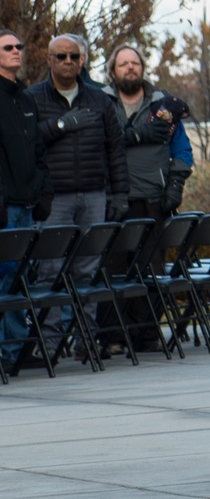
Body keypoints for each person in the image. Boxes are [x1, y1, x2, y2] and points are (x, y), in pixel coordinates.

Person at [28, 35, 130, 363]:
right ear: (49, 60)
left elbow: (116, 149)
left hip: (94, 196)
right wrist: (59, 125)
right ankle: (50, 344)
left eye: (74, 56)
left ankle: (87, 340)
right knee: (49, 272)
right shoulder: (33, 98)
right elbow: (26, 143)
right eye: (61, 56)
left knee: (87, 270)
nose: (68, 61)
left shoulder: (100, 100)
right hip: (54, 199)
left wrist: (121, 193)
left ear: (82, 60)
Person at [101, 43, 194, 352]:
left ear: (142, 68)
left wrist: (176, 184)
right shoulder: (101, 102)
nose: (130, 68)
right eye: (123, 63)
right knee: (113, 269)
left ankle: (147, 334)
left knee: (151, 270)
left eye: (135, 63)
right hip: (113, 200)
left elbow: (182, 148)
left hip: (154, 199)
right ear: (112, 71)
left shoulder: (162, 104)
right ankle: (113, 336)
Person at [0, 30, 52, 372]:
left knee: (18, 278)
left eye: (19, 46)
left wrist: (40, 189)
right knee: (3, 277)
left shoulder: (26, 98)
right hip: (4, 208)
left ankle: (16, 350)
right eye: (8, 47)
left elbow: (38, 152)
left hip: (27, 206)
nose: (17, 51)